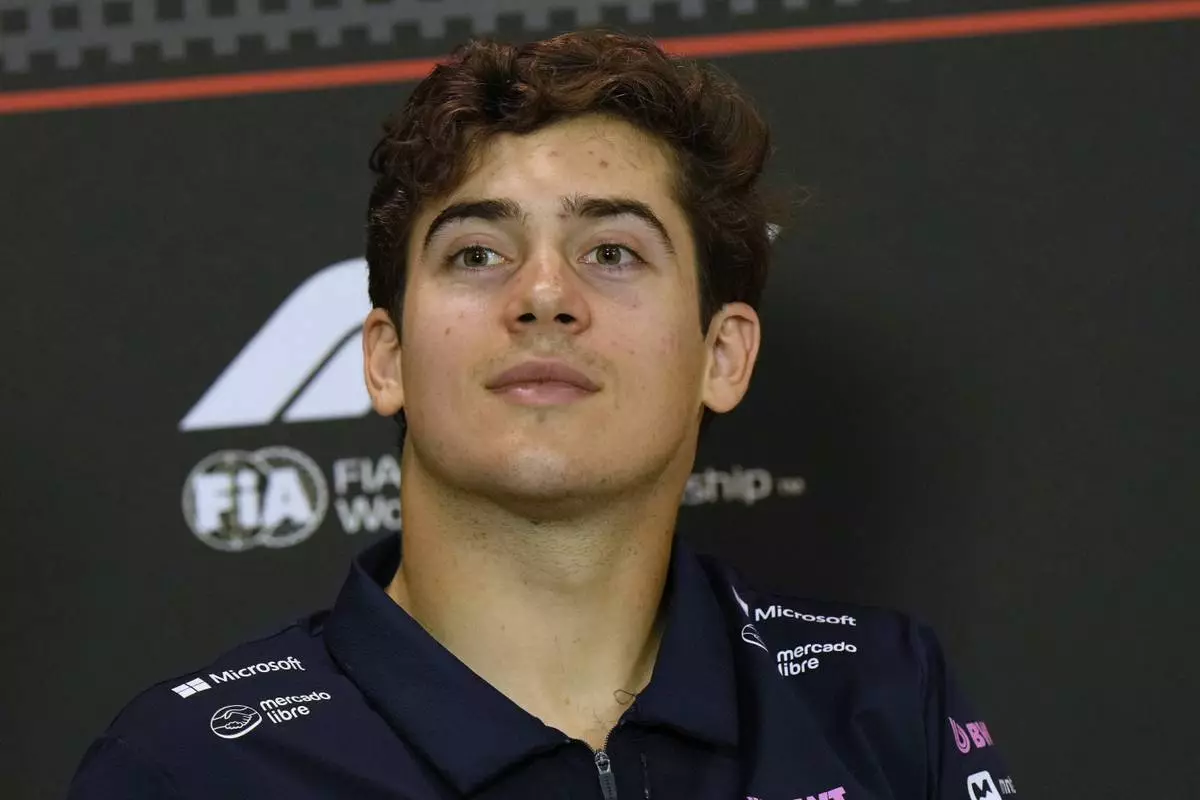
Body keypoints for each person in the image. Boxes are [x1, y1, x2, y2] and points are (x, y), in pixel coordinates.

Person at [69, 29, 1016, 800]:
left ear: (721, 355)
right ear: (387, 358)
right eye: (478, 253)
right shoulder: (194, 768)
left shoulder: (878, 700)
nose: (544, 296)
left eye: (612, 251)